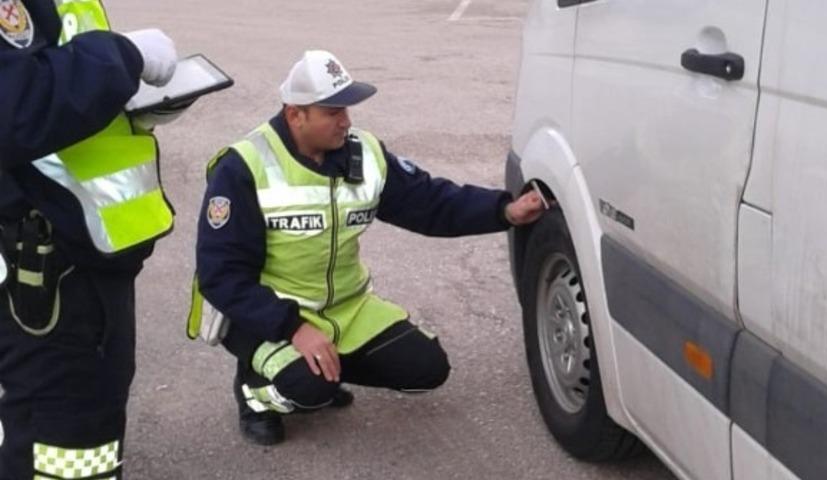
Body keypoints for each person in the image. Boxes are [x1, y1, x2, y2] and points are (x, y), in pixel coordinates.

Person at [190, 50, 545, 446]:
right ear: (295, 114)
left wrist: (504, 210)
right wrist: (294, 327)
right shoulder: (244, 167)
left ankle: (326, 370)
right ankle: (256, 394)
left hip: (347, 309)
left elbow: (430, 203)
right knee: (309, 389)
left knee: (427, 368)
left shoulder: (366, 154)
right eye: (332, 111)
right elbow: (220, 275)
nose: (346, 120)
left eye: (347, 108)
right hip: (264, 314)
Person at [0, 0, 180, 477]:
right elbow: (12, 107)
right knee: (66, 448)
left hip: (82, 255)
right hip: (42, 273)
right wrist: (122, 57)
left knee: (79, 423)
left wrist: (130, 100)